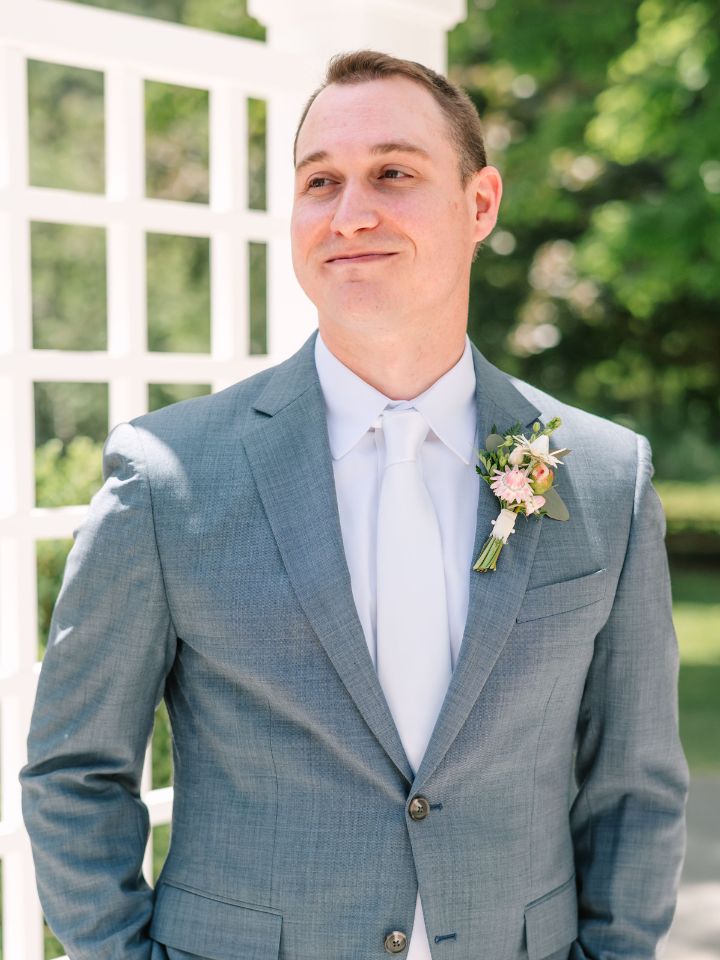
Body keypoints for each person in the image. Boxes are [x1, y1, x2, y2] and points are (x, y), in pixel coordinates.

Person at [21, 50, 688, 960]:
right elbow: (75, 773)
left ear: (480, 204)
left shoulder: (607, 475)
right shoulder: (166, 476)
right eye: (320, 181)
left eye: (393, 174)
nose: (350, 214)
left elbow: (636, 789)